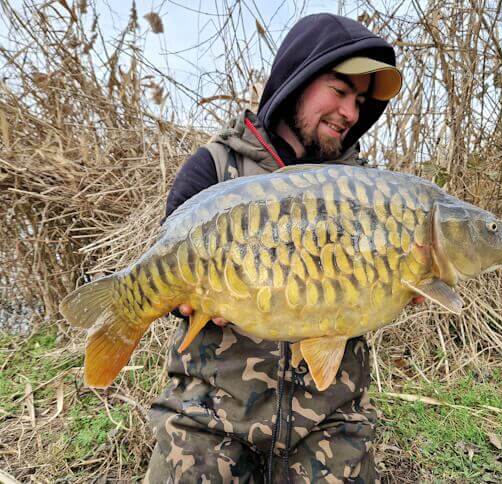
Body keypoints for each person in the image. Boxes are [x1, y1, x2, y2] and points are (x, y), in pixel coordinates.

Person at [144, 13, 421, 483]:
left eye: (359, 101)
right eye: (339, 90)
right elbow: (169, 271)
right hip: (210, 411)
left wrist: (405, 281)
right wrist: (181, 300)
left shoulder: (372, 194)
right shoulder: (214, 167)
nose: (350, 113)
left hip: (329, 417)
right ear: (297, 80)